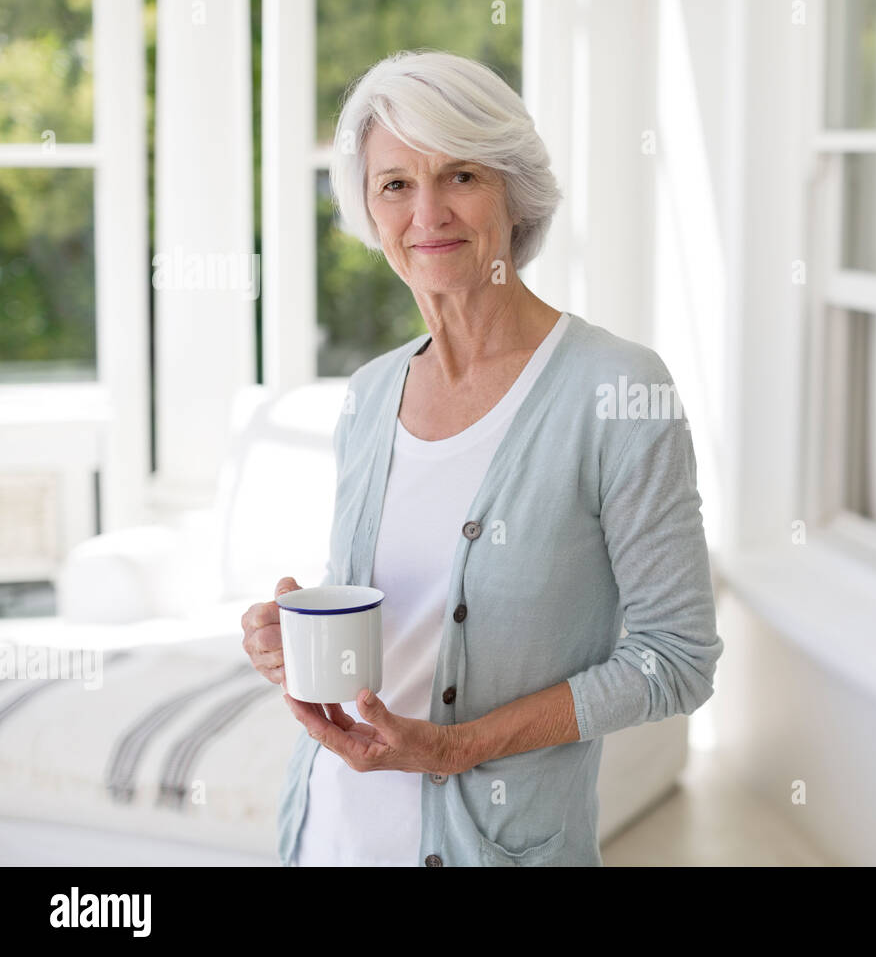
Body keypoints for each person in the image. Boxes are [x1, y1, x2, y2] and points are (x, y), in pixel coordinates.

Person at [239, 49, 722, 866]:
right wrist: (288, 639)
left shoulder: (616, 388)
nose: (428, 212)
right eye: (395, 183)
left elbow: (677, 661)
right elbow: (386, 625)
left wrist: (455, 747)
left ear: (513, 192)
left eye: (460, 175)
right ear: (367, 207)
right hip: (326, 836)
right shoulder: (368, 394)